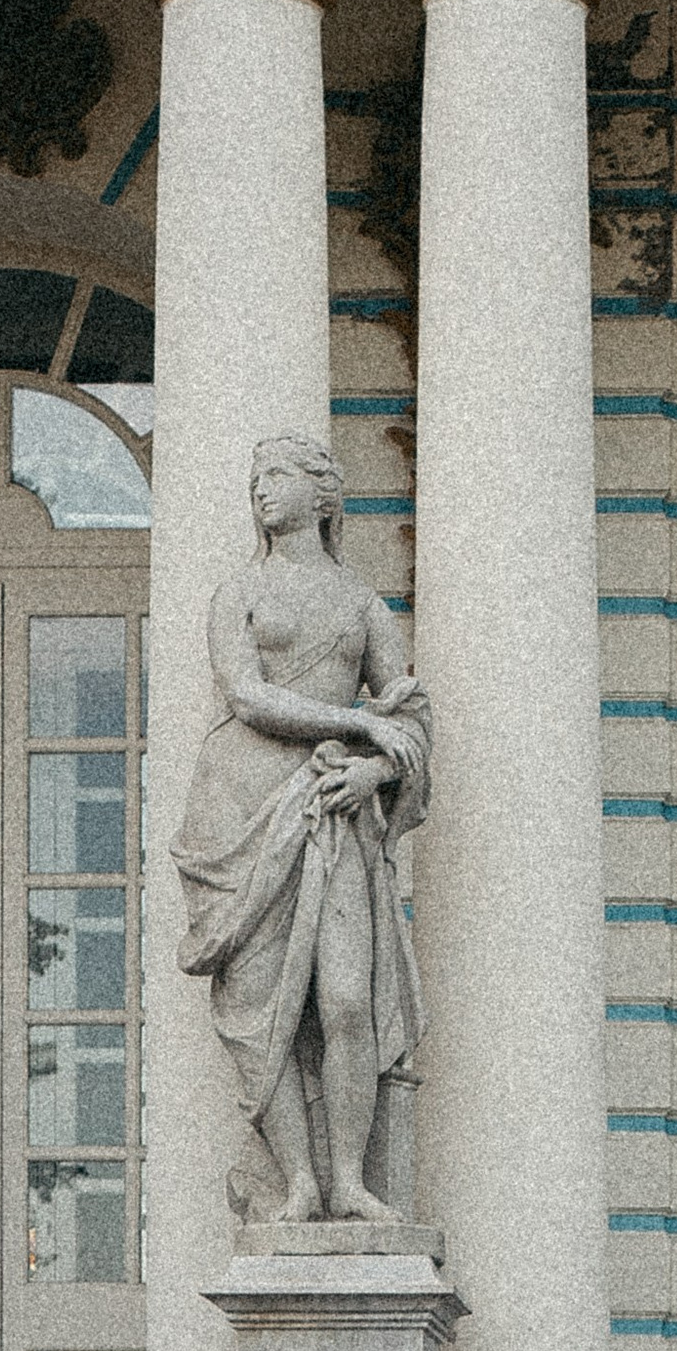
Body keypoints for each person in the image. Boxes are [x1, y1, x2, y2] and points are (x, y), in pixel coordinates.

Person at [173, 429, 429, 1229]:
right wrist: (355, 722)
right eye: (256, 478)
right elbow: (246, 696)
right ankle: (299, 1186)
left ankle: (349, 1180)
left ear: (323, 494)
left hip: (333, 809)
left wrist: (375, 770)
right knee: (259, 1010)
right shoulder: (236, 593)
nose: (261, 490)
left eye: (277, 475)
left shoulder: (360, 602)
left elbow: (411, 714)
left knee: (347, 1000)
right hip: (241, 806)